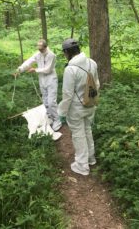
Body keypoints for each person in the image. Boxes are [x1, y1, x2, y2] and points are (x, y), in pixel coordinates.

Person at [58, 38, 100, 176]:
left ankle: (82, 165)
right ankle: (91, 158)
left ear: (67, 52)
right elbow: (97, 84)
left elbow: (67, 94)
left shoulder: (70, 69)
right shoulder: (92, 62)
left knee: (78, 134)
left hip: (76, 108)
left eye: (64, 53)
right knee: (87, 129)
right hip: (91, 103)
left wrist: (62, 112)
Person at [14, 39, 61, 132]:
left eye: (41, 48)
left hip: (51, 80)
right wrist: (19, 70)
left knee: (51, 102)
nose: (40, 50)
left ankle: (57, 120)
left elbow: (48, 69)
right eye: (38, 48)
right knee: (45, 101)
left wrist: (35, 70)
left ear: (45, 47)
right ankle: (50, 117)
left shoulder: (52, 55)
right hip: (42, 80)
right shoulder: (37, 54)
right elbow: (29, 62)